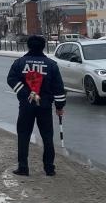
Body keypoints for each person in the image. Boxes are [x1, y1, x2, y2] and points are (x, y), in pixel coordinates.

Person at [6, 34, 66, 176]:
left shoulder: (20, 63)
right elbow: (58, 88)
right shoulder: (51, 65)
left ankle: (23, 167)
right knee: (47, 136)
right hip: (45, 106)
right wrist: (59, 106)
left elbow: (11, 79)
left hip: (26, 105)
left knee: (23, 135)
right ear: (43, 47)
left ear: (28, 46)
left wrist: (24, 93)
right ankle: (49, 168)